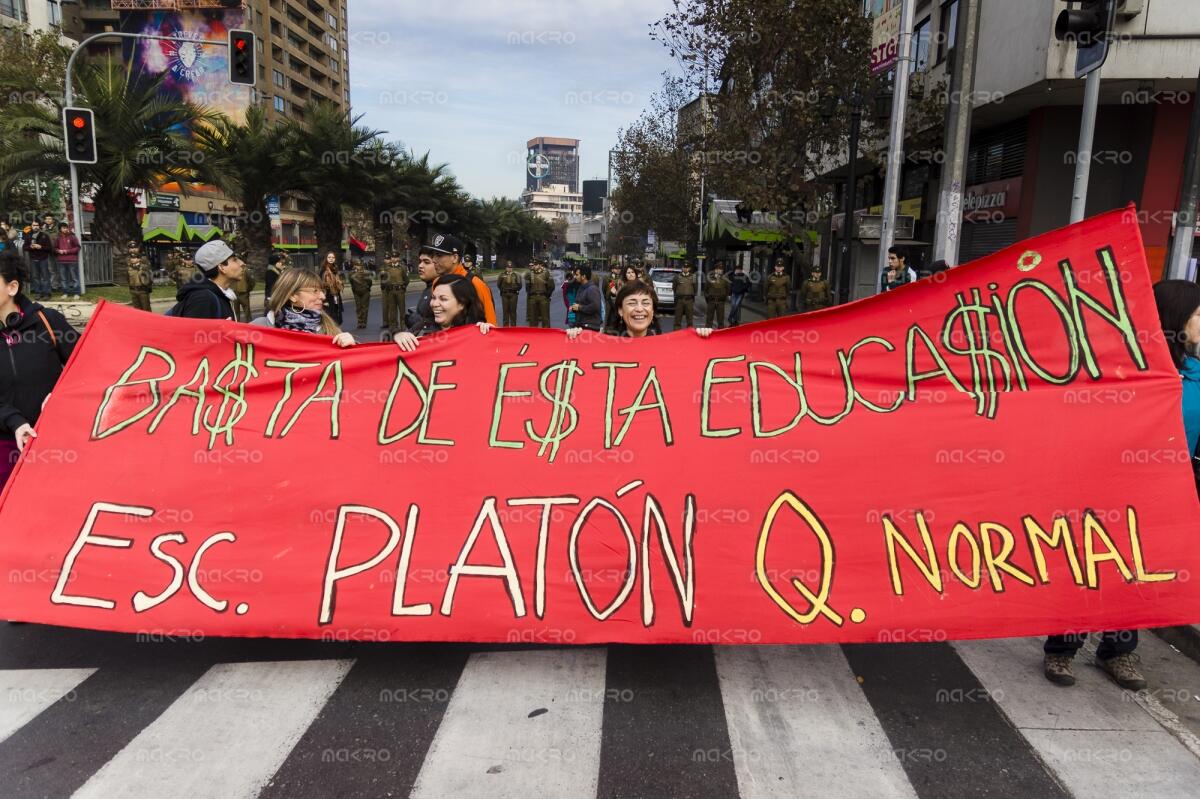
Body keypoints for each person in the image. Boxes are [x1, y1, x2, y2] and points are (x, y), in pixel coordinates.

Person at [0, 250, 77, 488]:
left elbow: (86, 365)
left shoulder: (48, 321)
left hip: (58, 440)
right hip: (6, 445)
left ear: (12, 287)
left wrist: (61, 396)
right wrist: (14, 421)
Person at [251, 267, 356, 348]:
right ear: (292, 295)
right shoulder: (259, 328)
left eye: (322, 291)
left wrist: (352, 347)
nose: (323, 296)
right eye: (315, 291)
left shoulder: (329, 329)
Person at [571, 280, 712, 340]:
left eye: (645, 303)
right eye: (632, 303)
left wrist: (702, 340)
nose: (639, 309)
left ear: (652, 310)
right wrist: (575, 337)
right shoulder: (604, 342)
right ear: (620, 310)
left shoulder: (665, 346)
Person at [394, 275, 493, 351]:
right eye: (433, 298)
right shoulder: (421, 327)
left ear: (462, 304)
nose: (434, 304)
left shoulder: (478, 332)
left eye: (443, 299)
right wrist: (399, 337)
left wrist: (491, 335)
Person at [424, 233, 497, 325]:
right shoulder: (437, 282)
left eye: (439, 255)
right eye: (433, 255)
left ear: (454, 258)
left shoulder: (476, 284)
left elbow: (491, 325)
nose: (434, 260)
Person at [170, 240, 242, 320]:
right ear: (222, 267)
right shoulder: (203, 299)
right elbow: (194, 332)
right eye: (235, 260)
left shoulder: (219, 294)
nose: (242, 263)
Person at [24, 220, 52, 301]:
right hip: (33, 259)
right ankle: (38, 293)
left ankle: (46, 294)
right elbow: (24, 247)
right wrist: (31, 247)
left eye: (37, 225)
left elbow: (49, 248)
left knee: (45, 277)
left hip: (43, 258)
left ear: (39, 226)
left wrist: (41, 247)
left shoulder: (44, 235)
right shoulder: (28, 236)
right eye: (33, 225)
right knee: (35, 277)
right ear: (31, 226)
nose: (35, 226)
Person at [381, 252, 409, 332]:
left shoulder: (402, 268)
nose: (393, 259)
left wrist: (403, 287)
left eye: (395, 257)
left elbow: (406, 279)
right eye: (392, 257)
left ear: (398, 258)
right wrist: (385, 286)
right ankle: (393, 325)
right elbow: (384, 278)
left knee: (401, 308)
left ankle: (402, 325)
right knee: (392, 309)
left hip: (400, 291)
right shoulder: (387, 268)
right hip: (390, 291)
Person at [569, 264, 603, 331]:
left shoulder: (592, 289)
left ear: (583, 276)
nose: (575, 277)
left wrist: (579, 307)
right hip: (582, 324)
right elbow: (580, 303)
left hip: (590, 326)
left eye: (577, 275)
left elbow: (595, 306)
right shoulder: (581, 287)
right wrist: (574, 308)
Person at [53, 223, 81, 299]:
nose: (65, 229)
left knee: (74, 278)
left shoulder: (72, 237)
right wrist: (58, 251)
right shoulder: (58, 238)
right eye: (63, 228)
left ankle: (77, 293)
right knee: (63, 278)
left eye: (66, 228)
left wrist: (67, 251)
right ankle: (65, 292)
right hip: (61, 261)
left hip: (72, 260)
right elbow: (54, 248)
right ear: (60, 229)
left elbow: (78, 247)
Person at [525, 259, 555, 328]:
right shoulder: (530, 274)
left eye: (535, 265)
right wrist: (529, 294)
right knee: (533, 318)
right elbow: (527, 285)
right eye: (533, 265)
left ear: (539, 265)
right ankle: (533, 334)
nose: (534, 266)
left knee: (545, 318)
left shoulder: (546, 273)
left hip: (543, 297)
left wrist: (547, 295)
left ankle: (546, 334)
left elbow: (551, 286)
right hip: (533, 297)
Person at [320, 251, 344, 325]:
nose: (331, 259)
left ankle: (335, 331)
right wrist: (324, 300)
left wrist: (340, 283)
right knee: (330, 317)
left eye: (333, 257)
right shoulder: (323, 270)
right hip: (328, 296)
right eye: (329, 257)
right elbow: (321, 285)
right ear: (326, 258)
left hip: (336, 295)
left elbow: (338, 282)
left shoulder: (335, 269)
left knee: (337, 316)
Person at [703, 262, 730, 329]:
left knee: (721, 320)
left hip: (720, 302)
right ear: (715, 270)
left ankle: (720, 336)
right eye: (718, 269)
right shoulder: (710, 278)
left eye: (721, 269)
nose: (720, 270)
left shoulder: (725, 278)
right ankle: (708, 333)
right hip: (711, 301)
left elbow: (728, 289)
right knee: (709, 320)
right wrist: (708, 299)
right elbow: (705, 290)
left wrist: (724, 298)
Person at [127, 247, 154, 312]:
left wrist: (148, 287)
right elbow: (128, 279)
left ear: (139, 259)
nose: (133, 260)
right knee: (137, 310)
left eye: (135, 258)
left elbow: (150, 278)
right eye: (132, 258)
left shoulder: (144, 267)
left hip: (143, 291)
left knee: (146, 309)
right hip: (133, 291)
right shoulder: (129, 268)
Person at [349, 260, 373, 330]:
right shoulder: (351, 273)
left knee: (364, 307)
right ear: (355, 266)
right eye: (357, 265)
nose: (359, 267)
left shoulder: (366, 273)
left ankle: (364, 323)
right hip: (356, 292)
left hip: (365, 292)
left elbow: (370, 282)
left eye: (360, 265)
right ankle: (359, 322)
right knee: (358, 307)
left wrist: (367, 288)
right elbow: (351, 282)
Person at [497, 260, 523, 327]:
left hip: (513, 295)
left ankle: (513, 327)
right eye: (508, 267)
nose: (509, 268)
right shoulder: (502, 275)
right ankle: (505, 327)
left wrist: (515, 290)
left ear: (512, 268)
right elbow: (498, 284)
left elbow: (520, 285)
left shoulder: (517, 275)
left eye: (510, 267)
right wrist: (503, 290)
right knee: (505, 311)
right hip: (504, 295)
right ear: (506, 268)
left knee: (513, 312)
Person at [672, 262, 697, 330]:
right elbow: (674, 287)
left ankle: (689, 334)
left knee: (689, 319)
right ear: (682, 268)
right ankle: (676, 334)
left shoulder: (693, 277)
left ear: (689, 268)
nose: (685, 269)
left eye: (687, 267)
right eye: (684, 267)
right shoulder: (677, 277)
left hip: (689, 300)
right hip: (679, 300)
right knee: (678, 318)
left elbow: (695, 288)